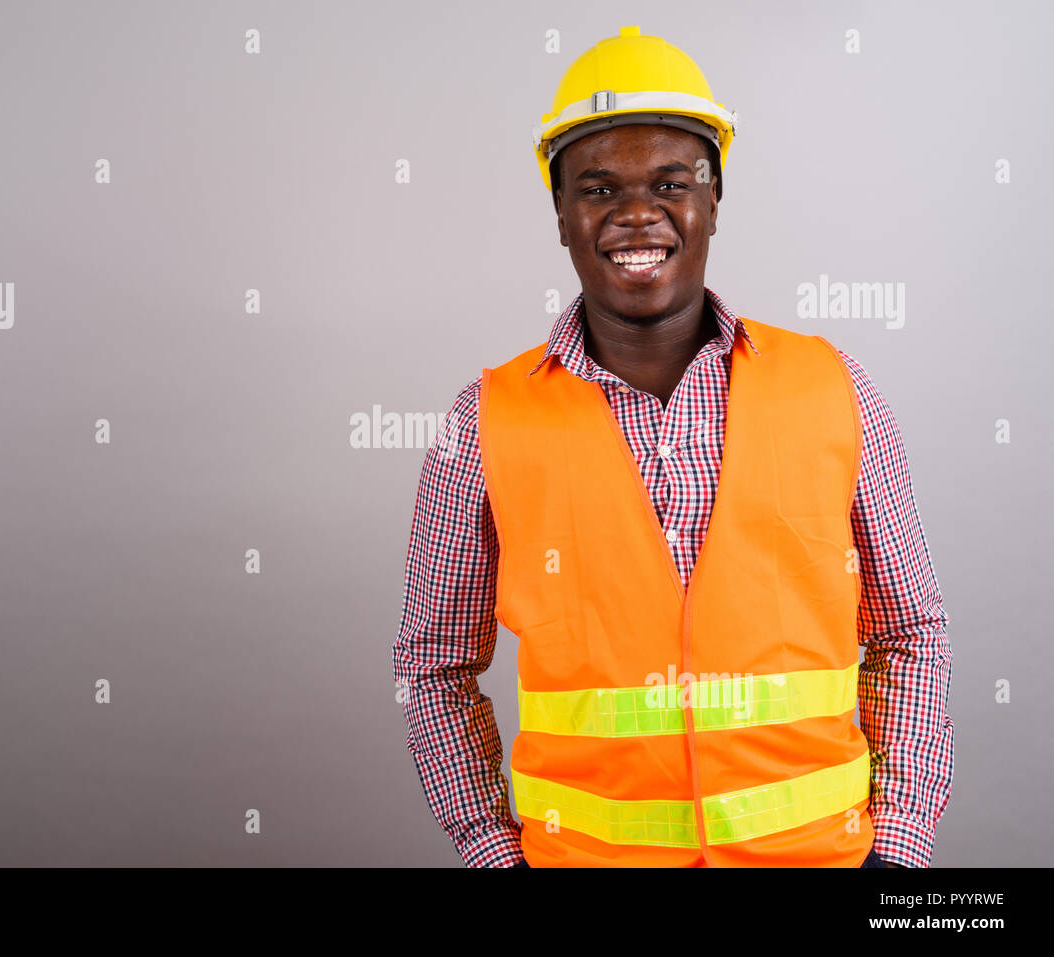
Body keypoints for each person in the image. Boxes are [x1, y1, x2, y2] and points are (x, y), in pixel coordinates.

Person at [392, 26, 952, 868]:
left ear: (714, 200)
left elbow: (912, 631)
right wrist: (492, 850)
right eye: (598, 187)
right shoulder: (484, 423)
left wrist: (897, 854)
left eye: (670, 182)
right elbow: (432, 663)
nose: (636, 214)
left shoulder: (835, 389)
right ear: (560, 215)